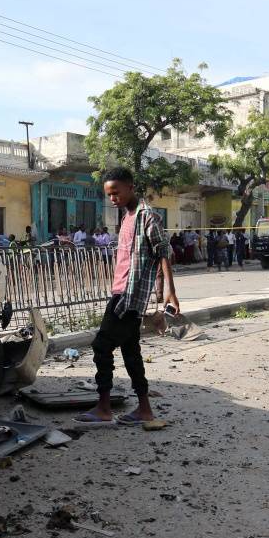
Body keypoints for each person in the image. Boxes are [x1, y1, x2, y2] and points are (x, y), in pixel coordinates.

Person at [76, 166, 178, 426]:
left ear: (130, 187)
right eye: (108, 195)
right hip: (121, 290)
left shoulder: (147, 216)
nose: (112, 199)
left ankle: (104, 407)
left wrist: (170, 291)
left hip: (129, 295)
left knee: (101, 346)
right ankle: (144, 410)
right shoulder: (126, 217)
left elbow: (163, 251)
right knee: (131, 351)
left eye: (116, 193)